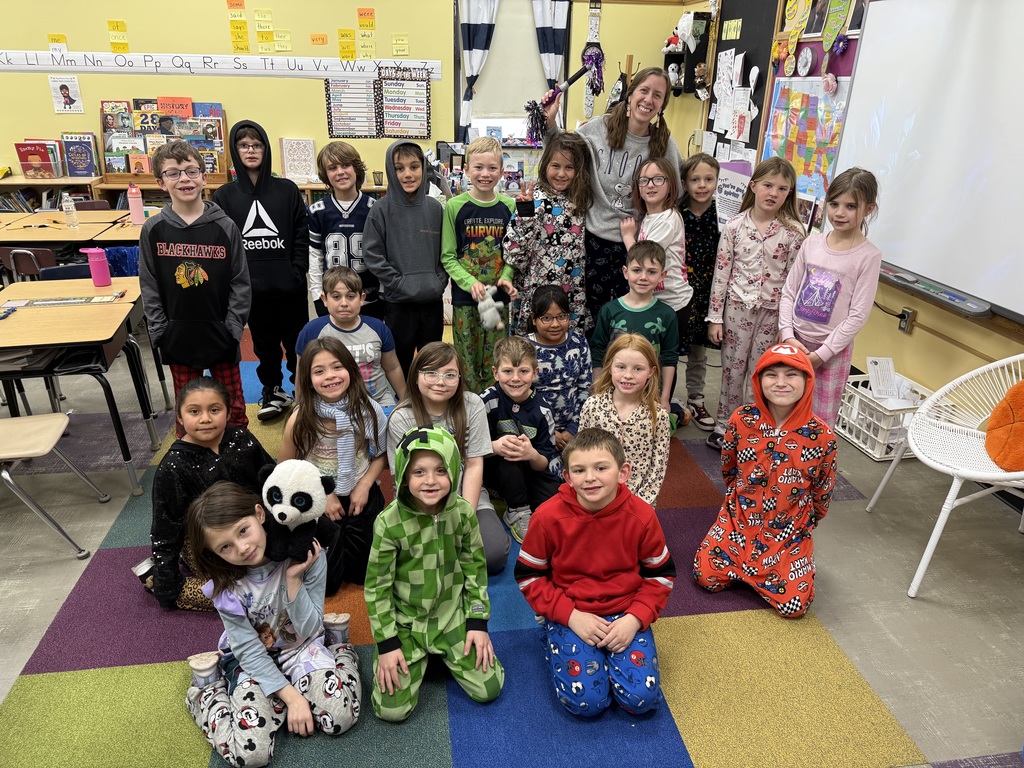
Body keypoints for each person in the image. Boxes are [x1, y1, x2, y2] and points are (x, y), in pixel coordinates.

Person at [184, 483, 360, 766]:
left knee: (341, 716)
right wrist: (292, 698)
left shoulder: (309, 555)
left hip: (301, 646)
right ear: (213, 552)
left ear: (259, 514)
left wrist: (292, 581)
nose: (242, 548)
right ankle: (207, 692)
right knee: (250, 755)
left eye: (243, 531)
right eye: (225, 547)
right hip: (252, 659)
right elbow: (248, 651)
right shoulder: (226, 587)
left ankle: (340, 647)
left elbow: (308, 628)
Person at [515, 427, 676, 717]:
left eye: (601, 468)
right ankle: (551, 633)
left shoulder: (642, 516)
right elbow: (529, 576)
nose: (590, 477)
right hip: (572, 610)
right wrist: (569, 616)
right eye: (579, 470)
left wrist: (634, 619)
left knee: (641, 699)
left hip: (625, 613)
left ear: (623, 472)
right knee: (587, 704)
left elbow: (660, 575)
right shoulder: (547, 517)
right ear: (567, 477)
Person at [364, 425, 504, 722]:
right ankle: (425, 655)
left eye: (441, 470)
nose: (430, 481)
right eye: (419, 472)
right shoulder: (388, 523)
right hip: (407, 624)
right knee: (391, 710)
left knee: (490, 688)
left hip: (451, 616)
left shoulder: (463, 513)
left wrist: (477, 621)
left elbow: (475, 569)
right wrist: (387, 643)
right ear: (403, 476)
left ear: (454, 470)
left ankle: (438, 655)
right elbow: (377, 588)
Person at [693, 343, 837, 618]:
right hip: (739, 519)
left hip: (788, 530)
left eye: (791, 375)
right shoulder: (741, 419)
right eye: (772, 375)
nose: (781, 383)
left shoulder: (822, 436)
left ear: (807, 380)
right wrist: (739, 504)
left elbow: (823, 490)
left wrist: (800, 526)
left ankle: (782, 564)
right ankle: (751, 570)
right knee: (705, 577)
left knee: (793, 607)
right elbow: (729, 468)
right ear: (759, 380)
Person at [543, 67, 682, 326]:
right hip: (592, 238)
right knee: (592, 314)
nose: (648, 100)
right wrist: (550, 123)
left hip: (634, 244)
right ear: (631, 94)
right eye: (644, 91)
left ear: (663, 104)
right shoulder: (600, 127)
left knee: (627, 317)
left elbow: (677, 190)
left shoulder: (664, 144)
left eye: (657, 95)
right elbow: (562, 151)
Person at [140, 141, 251, 437]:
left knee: (233, 407)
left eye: (191, 171)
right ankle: (191, 459)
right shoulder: (153, 230)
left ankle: (239, 456)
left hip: (221, 333)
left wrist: (233, 328)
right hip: (177, 335)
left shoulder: (225, 227)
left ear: (204, 176)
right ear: (161, 182)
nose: (184, 179)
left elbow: (240, 281)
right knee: (187, 411)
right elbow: (149, 283)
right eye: (173, 173)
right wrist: (160, 330)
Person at [144, 377, 273, 611]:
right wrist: (167, 583)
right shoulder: (173, 466)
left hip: (249, 525)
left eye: (214, 410)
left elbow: (271, 481)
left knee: (287, 563)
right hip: (208, 542)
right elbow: (165, 530)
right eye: (194, 411)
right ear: (180, 417)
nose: (205, 418)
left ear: (228, 412)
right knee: (245, 595)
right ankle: (153, 577)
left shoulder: (241, 438)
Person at [213, 120, 310, 424]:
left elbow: (301, 233)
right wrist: (235, 283)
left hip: (290, 287)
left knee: (298, 344)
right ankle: (272, 391)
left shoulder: (287, 190)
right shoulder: (224, 196)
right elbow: (222, 244)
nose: (251, 150)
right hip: (251, 291)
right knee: (264, 346)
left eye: (257, 145)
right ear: (235, 150)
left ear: (266, 149)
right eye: (244, 145)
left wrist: (297, 271)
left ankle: (303, 394)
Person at [705, 157, 805, 450]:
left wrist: (787, 328)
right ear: (753, 186)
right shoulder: (734, 226)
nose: (773, 193)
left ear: (789, 193)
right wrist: (715, 318)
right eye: (768, 185)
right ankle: (726, 425)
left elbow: (794, 283)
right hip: (737, 310)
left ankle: (754, 427)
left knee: (762, 372)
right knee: (731, 370)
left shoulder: (793, 232)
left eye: (782, 189)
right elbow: (721, 274)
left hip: (773, 315)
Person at [385, 342, 510, 574]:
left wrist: (464, 518)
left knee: (493, 556)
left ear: (460, 378)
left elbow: (474, 464)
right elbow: (404, 480)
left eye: (450, 374)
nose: (440, 382)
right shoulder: (402, 417)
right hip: (419, 501)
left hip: (466, 495)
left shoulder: (472, 404)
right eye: (431, 373)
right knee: (417, 559)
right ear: (415, 376)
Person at [279, 337, 387, 588]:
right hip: (315, 494)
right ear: (308, 380)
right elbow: (285, 468)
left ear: (351, 370)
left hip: (359, 491)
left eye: (337, 367)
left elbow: (382, 454)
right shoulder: (301, 418)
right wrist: (322, 494)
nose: (330, 376)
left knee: (363, 576)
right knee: (328, 585)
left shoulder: (369, 410)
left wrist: (365, 486)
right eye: (319, 371)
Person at [778, 167, 881, 427]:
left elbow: (857, 315)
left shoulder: (868, 256)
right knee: (783, 411)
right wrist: (788, 335)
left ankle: (812, 456)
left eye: (850, 206)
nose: (839, 213)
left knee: (819, 421)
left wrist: (821, 354)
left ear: (868, 209)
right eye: (834, 204)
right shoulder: (812, 243)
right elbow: (789, 292)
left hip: (832, 352)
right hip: (795, 341)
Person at [362, 140, 447, 377]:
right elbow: (372, 254)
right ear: (391, 171)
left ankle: (428, 396)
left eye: (414, 167)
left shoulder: (435, 208)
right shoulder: (381, 209)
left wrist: (439, 280)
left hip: (432, 300)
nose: (408, 174)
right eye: (399, 168)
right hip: (399, 303)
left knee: (432, 360)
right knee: (400, 360)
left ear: (423, 168)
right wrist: (397, 283)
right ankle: (404, 397)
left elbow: (447, 251)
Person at [441, 136, 517, 391]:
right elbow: (448, 256)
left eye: (492, 168)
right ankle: (470, 406)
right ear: (466, 170)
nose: (485, 174)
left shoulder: (509, 206)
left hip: (497, 298)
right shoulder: (455, 206)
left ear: (502, 171)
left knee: (496, 356)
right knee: (466, 359)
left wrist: (506, 275)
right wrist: (470, 282)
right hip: (466, 298)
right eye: (479, 167)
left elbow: (514, 252)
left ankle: (494, 404)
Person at [621, 156, 692, 428]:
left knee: (664, 361)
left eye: (658, 179)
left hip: (673, 303)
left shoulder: (668, 218)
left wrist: (628, 236)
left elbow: (644, 260)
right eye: (644, 180)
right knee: (648, 359)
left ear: (671, 184)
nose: (650, 185)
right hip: (655, 301)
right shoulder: (650, 217)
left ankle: (664, 412)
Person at [503, 133, 593, 336]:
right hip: (536, 289)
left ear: (578, 170)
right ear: (545, 166)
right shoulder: (534, 199)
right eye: (556, 166)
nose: (561, 173)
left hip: (571, 290)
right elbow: (513, 252)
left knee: (567, 345)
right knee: (531, 347)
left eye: (569, 167)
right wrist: (525, 215)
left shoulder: (581, 200)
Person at [480, 335, 562, 543]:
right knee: (509, 446)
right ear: (495, 373)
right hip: (495, 466)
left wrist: (531, 454)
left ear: (535, 373)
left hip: (530, 469)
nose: (515, 378)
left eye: (523, 371)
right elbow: (469, 448)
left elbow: (543, 461)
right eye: (508, 371)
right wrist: (495, 447)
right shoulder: (485, 401)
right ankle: (517, 511)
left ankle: (516, 498)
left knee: (556, 502)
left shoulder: (542, 410)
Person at [295, 266, 406, 410]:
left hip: (378, 401)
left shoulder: (378, 328)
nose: (344, 303)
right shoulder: (311, 331)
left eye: (351, 296)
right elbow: (301, 374)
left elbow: (392, 368)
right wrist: (300, 407)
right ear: (324, 299)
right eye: (336, 297)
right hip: (330, 405)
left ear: (361, 299)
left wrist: (406, 401)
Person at [579, 333, 670, 507]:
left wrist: (641, 503)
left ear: (651, 371)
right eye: (621, 367)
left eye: (638, 369)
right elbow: (581, 453)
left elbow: (658, 466)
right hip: (596, 496)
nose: (628, 375)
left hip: (638, 501)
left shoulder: (658, 416)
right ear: (609, 367)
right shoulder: (593, 406)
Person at [589, 240, 679, 413]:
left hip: (650, 392)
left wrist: (665, 398)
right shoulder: (609, 310)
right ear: (625, 272)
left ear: (662, 275)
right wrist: (597, 391)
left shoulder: (667, 315)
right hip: (613, 388)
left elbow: (669, 358)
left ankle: (678, 413)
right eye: (637, 270)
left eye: (651, 272)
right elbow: (598, 351)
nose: (643, 277)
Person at [307, 141, 382, 319]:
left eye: (346, 165)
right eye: (332, 168)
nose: (340, 172)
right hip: (334, 298)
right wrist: (317, 294)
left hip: (369, 296)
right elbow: (315, 255)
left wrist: (383, 291)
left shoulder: (375, 209)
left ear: (356, 168)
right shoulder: (317, 211)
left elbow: (384, 254)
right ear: (325, 174)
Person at [678, 153, 722, 432]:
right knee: (669, 348)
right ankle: (664, 398)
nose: (702, 185)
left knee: (698, 351)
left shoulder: (723, 216)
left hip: (708, 292)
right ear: (685, 183)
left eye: (709, 179)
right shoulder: (676, 213)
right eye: (695, 179)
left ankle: (695, 399)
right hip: (678, 292)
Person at [525, 285, 592, 451]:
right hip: (534, 432)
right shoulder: (523, 347)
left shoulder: (578, 342)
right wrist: (549, 431)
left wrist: (573, 429)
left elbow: (585, 388)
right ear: (533, 318)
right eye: (546, 318)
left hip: (575, 432)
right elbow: (519, 394)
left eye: (562, 316)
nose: (555, 324)